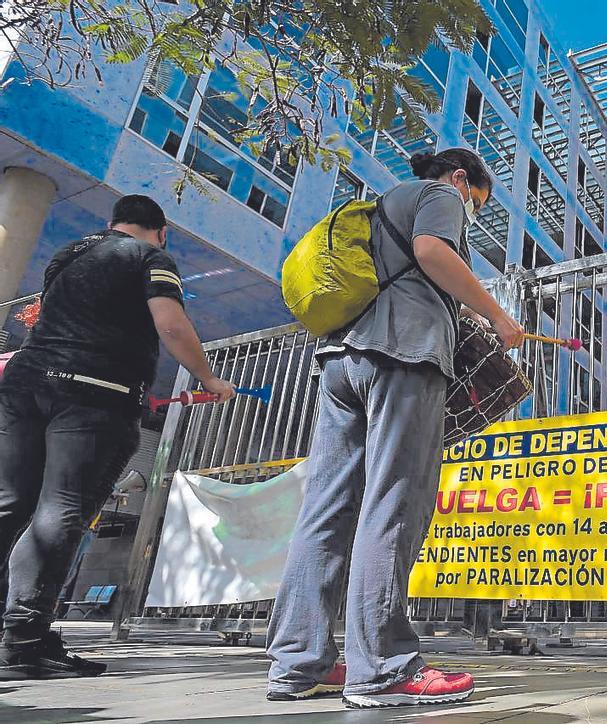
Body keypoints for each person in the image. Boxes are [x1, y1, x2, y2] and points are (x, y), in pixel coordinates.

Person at [266, 148, 525, 709]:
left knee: (325, 511)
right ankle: (382, 668)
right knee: (396, 502)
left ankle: (297, 664)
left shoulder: (384, 204)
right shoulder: (439, 196)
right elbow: (433, 252)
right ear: (462, 179)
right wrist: (498, 315)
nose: (472, 213)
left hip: (341, 361)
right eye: (476, 203)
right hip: (402, 354)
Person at [0, 195, 235, 679]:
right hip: (95, 392)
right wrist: (209, 379)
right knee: (61, 510)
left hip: (26, 385)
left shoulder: (70, 254)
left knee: (10, 503)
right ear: (161, 230)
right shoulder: (149, 256)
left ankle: (26, 635)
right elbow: (170, 323)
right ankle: (23, 644)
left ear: (112, 224)